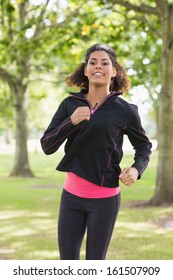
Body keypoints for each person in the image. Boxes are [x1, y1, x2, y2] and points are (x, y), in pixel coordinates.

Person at [40, 43, 152, 260]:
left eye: (104, 63)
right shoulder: (69, 104)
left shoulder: (125, 111)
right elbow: (47, 145)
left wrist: (137, 169)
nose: (98, 67)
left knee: (95, 266)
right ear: (85, 69)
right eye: (92, 62)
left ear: (114, 71)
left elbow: (144, 146)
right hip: (71, 197)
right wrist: (70, 122)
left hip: (105, 200)